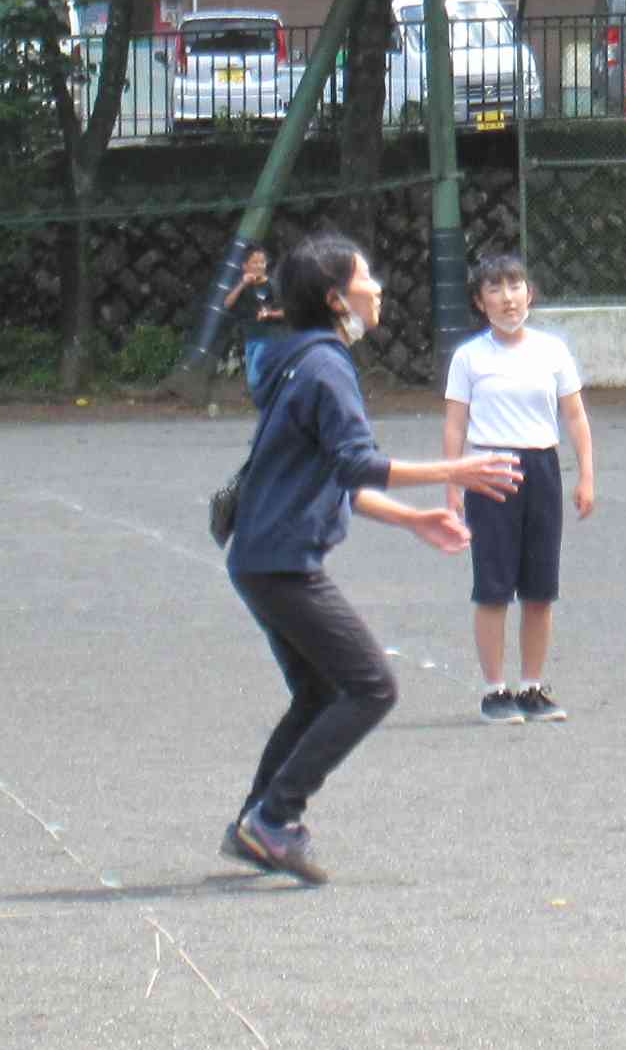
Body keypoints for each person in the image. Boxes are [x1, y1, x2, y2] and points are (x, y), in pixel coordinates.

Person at [222, 232, 520, 884]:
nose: (378, 288)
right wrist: (456, 470)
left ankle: (255, 821)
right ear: (337, 299)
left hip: (260, 556)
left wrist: (412, 518)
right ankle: (274, 818)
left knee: (320, 691)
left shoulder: (297, 357)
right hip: (282, 563)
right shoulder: (325, 368)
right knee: (371, 686)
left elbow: (334, 477)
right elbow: (358, 464)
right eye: (366, 279)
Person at [443, 252, 595, 726]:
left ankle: (532, 686)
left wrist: (586, 475)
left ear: (530, 293)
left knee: (540, 586)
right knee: (492, 585)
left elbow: (575, 416)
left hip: (542, 467)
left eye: (515, 287)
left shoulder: (552, 351)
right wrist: (453, 480)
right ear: (479, 301)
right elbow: (455, 424)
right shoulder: (469, 357)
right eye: (495, 289)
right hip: (490, 468)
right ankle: (494, 690)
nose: (508, 299)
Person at [229, 245, 284, 401]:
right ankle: (274, 398)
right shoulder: (244, 286)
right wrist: (242, 284)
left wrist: (270, 314)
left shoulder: (273, 286)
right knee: (252, 382)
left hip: (270, 338)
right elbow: (228, 303)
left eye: (262, 262)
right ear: (245, 266)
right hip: (250, 338)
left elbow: (287, 311)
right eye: (255, 262)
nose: (259, 266)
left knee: (255, 378)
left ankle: (276, 396)